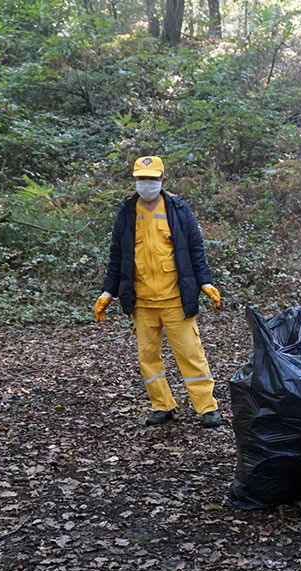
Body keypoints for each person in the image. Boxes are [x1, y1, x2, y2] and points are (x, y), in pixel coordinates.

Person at [95, 156, 223, 428]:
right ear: (135, 182)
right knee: (148, 357)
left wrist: (205, 282)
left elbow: (195, 249)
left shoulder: (178, 209)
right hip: (141, 301)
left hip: (175, 298)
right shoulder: (127, 212)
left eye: (153, 179)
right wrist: (108, 291)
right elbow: (117, 255)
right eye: (142, 179)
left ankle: (206, 407)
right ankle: (162, 405)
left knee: (190, 353)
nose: (147, 184)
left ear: (163, 181)